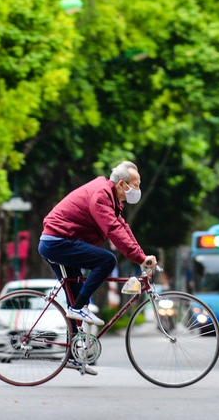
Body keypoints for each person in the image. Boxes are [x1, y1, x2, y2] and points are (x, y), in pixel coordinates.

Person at [38, 161, 157, 375]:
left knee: (74, 295)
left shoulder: (111, 198)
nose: (138, 190)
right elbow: (112, 229)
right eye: (136, 185)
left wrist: (141, 257)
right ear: (122, 184)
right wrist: (138, 257)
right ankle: (78, 308)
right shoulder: (101, 195)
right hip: (57, 242)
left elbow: (122, 227)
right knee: (107, 261)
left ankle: (73, 356)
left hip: (62, 241)